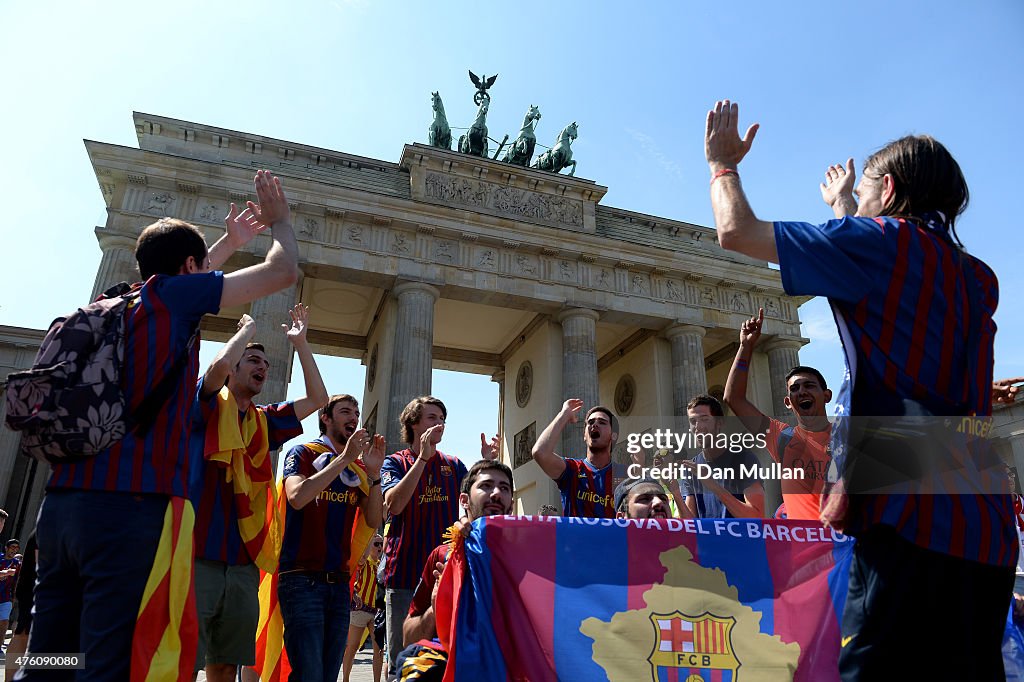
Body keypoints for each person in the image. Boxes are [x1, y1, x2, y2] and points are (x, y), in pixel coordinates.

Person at [705, 98, 1015, 678]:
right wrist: (845, 205)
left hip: (905, 519)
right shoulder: (979, 278)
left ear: (890, 189)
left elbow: (736, 231)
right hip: (986, 524)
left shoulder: (877, 244)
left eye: (869, 190)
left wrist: (723, 165)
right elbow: (889, 307)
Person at [23, 170, 299, 679]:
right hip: (127, 510)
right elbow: (280, 272)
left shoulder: (107, 308)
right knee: (108, 661)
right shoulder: (170, 303)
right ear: (189, 269)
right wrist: (280, 222)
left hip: (60, 511)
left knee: (50, 654)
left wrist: (225, 243)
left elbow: (177, 279)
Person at [190, 306, 327, 681]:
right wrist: (246, 331)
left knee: (224, 662)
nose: (263, 367)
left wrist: (300, 344)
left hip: (243, 560)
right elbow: (216, 370)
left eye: (266, 363)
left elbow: (318, 399)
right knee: (185, 659)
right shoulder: (206, 405)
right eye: (253, 359)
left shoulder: (266, 420)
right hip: (196, 553)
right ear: (234, 367)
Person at [380, 396, 498, 676]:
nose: (439, 424)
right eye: (432, 418)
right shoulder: (394, 462)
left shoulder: (453, 465)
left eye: (442, 418)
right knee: (403, 660)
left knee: (442, 657)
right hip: (405, 575)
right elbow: (394, 505)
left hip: (443, 576)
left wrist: (486, 462)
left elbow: (475, 501)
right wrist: (422, 458)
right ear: (413, 423)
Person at [279, 394, 385, 682]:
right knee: (308, 674)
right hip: (301, 579)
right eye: (345, 411)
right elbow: (297, 497)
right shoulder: (301, 453)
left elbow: (375, 520)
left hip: (338, 584)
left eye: (356, 412)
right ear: (325, 418)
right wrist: (345, 459)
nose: (353, 417)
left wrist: (374, 475)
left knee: (326, 676)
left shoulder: (359, 470)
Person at [724, 308, 832, 520]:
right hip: (803, 548)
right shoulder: (781, 436)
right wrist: (746, 346)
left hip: (843, 545)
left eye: (809, 386)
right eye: (794, 389)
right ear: (788, 403)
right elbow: (734, 399)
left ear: (826, 395)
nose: (801, 392)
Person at [402, 459, 515, 647]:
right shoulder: (442, 556)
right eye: (486, 486)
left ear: (511, 504)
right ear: (464, 500)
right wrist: (435, 609)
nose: (496, 494)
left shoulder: (524, 559)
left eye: (504, 488)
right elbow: (407, 640)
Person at [678, 395, 764, 518]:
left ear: (719, 422)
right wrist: (675, 492)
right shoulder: (691, 468)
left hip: (738, 537)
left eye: (704, 419)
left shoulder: (744, 460)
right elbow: (690, 524)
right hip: (708, 538)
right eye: (693, 421)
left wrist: (713, 485)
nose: (698, 427)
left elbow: (757, 516)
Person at [532, 399, 620, 517]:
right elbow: (540, 452)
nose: (594, 425)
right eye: (590, 422)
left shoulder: (623, 476)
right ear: (584, 435)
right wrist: (564, 414)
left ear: (613, 436)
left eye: (602, 422)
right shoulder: (572, 469)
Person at [342, 534, 384, 682]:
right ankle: (345, 679)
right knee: (352, 647)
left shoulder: (382, 564)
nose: (379, 547)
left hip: (376, 611)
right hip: (360, 610)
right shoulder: (364, 561)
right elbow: (353, 573)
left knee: (379, 649)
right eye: (376, 544)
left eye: (381, 544)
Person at [0, 539, 21, 645]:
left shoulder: (17, 564)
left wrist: (14, 597)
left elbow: (17, 580)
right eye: (12, 547)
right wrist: (5, 573)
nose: (15, 550)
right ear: (6, 548)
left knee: (4, 622)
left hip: (5, 597)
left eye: (17, 548)